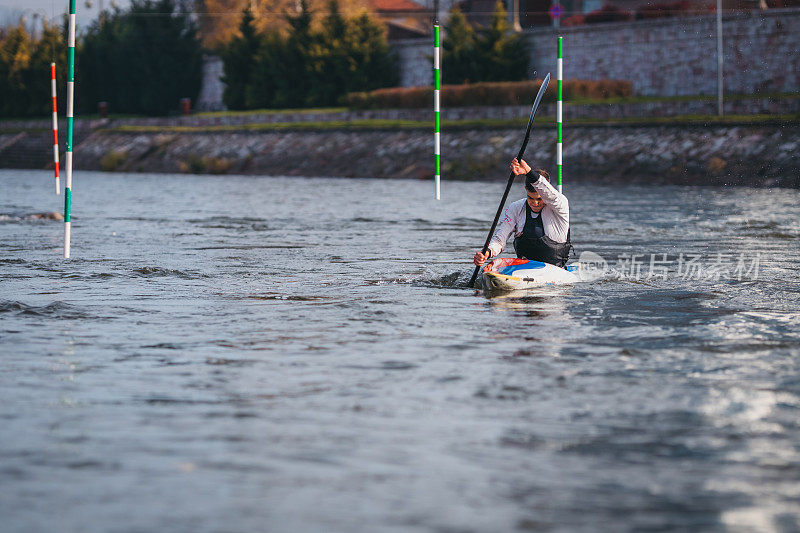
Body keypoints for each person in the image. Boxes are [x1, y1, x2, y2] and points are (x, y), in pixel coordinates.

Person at [473, 158, 571, 268]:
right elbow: (500, 239)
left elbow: (549, 193)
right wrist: (487, 253)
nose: (535, 203)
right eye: (530, 198)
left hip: (555, 270)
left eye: (539, 199)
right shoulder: (516, 208)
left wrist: (528, 172)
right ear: (525, 190)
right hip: (523, 269)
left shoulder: (560, 205)